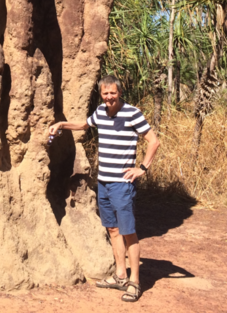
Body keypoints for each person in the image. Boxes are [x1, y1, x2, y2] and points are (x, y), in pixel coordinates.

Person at [48, 74, 160, 302]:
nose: (109, 97)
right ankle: (120, 275)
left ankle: (135, 282)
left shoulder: (132, 113)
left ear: (119, 92)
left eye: (113, 93)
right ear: (101, 94)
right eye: (105, 93)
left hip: (122, 184)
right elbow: (83, 124)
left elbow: (153, 140)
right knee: (112, 230)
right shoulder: (100, 112)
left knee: (128, 233)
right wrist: (61, 124)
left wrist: (142, 169)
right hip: (104, 182)